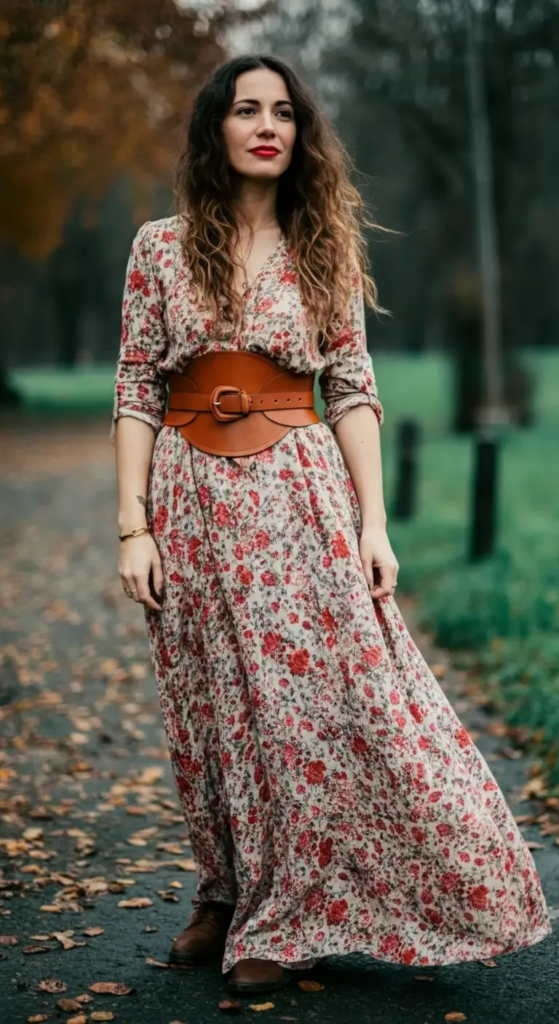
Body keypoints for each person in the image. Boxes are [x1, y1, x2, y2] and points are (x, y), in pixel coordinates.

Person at [111, 53, 552, 996]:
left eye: (283, 112)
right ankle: (228, 888)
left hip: (298, 501)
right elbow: (136, 389)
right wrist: (132, 526)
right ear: (214, 130)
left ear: (302, 134)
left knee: (309, 710)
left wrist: (375, 524)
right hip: (191, 501)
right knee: (209, 709)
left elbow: (351, 388)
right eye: (245, 110)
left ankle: (296, 910)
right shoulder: (158, 246)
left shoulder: (325, 249)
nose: (266, 125)